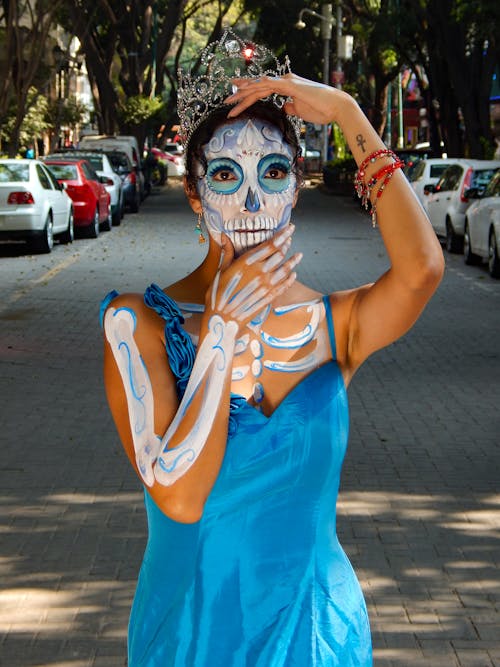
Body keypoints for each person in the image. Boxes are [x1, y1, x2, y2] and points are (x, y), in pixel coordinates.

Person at [101, 31, 444, 666]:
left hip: (318, 633)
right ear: (195, 195)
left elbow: (422, 271)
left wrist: (347, 111)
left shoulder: (333, 324)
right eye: (227, 174)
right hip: (193, 630)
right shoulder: (138, 321)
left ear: (297, 189)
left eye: (276, 171)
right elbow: (178, 496)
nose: (254, 199)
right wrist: (221, 333)